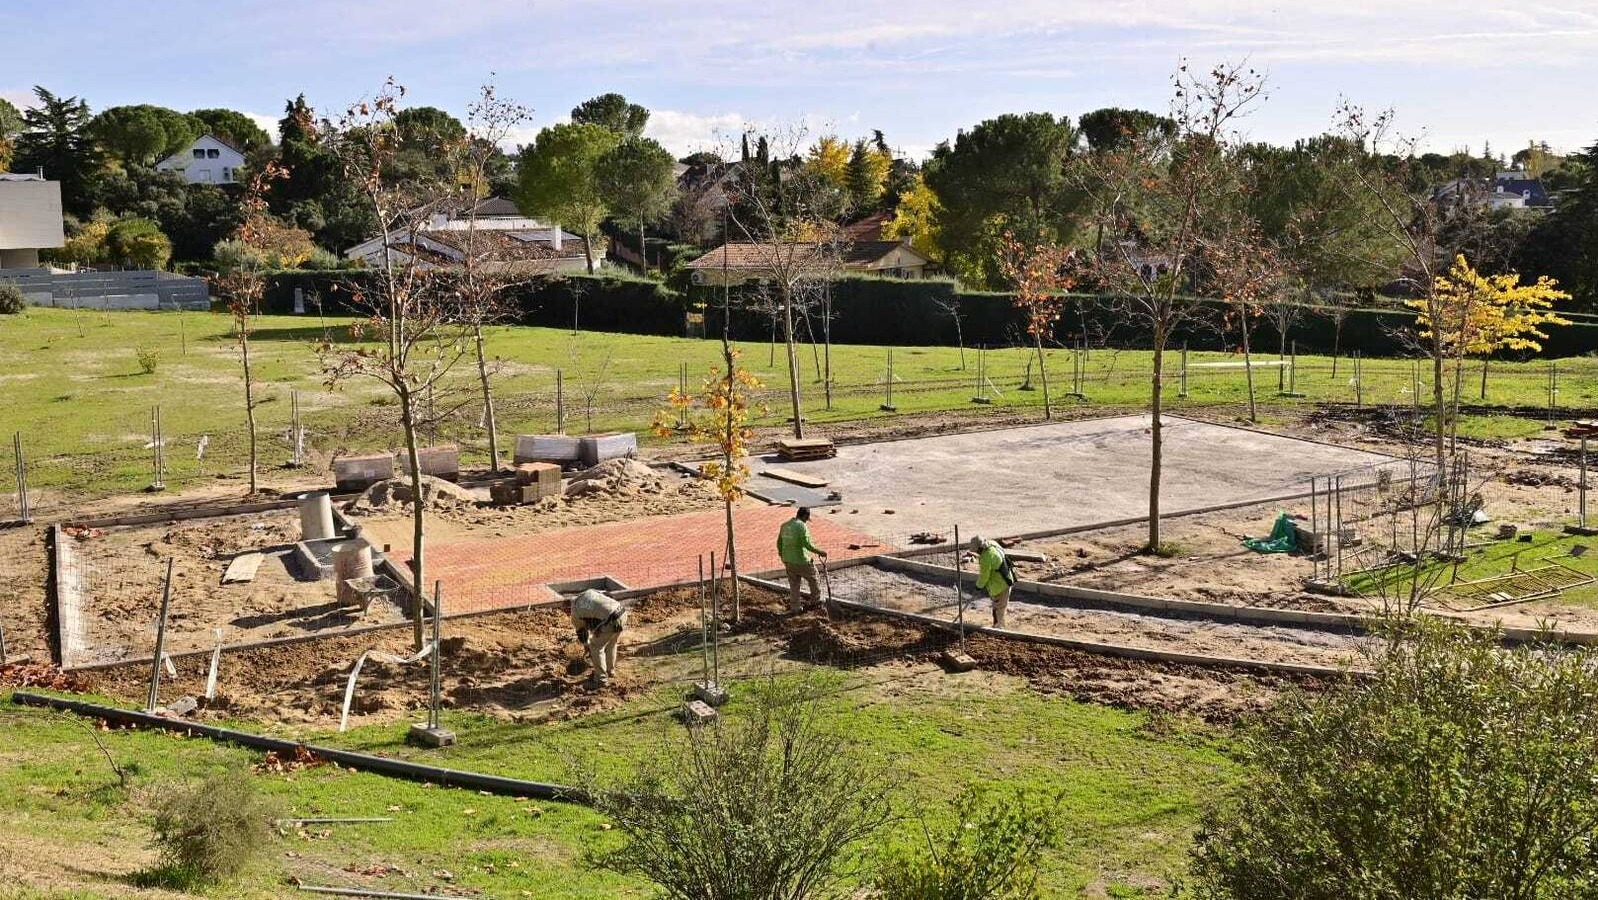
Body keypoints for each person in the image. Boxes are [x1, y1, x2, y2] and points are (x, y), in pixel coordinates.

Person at [569, 588, 628, 685]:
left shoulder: (575, 611)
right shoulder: (591, 592)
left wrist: (586, 645)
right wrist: (599, 629)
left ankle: (601, 679)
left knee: (596, 647)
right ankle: (610, 671)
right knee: (611, 643)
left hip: (610, 620)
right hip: (622, 612)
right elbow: (608, 597)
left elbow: (581, 631)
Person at [777, 506, 828, 612]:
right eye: (807, 519)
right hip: (801, 560)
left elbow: (779, 543)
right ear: (805, 516)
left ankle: (795, 607)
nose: (806, 521)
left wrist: (783, 556)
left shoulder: (784, 525)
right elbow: (807, 544)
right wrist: (820, 552)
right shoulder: (801, 526)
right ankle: (816, 601)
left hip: (788, 561)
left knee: (794, 584)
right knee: (814, 578)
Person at [971, 535, 1015, 628]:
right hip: (1007, 577)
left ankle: (1000, 628)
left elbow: (984, 576)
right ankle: (996, 624)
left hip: (1000, 585)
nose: (977, 553)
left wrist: (978, 586)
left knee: (999, 608)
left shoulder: (986, 558)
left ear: (979, 548)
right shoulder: (992, 544)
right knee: (997, 606)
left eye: (976, 551)